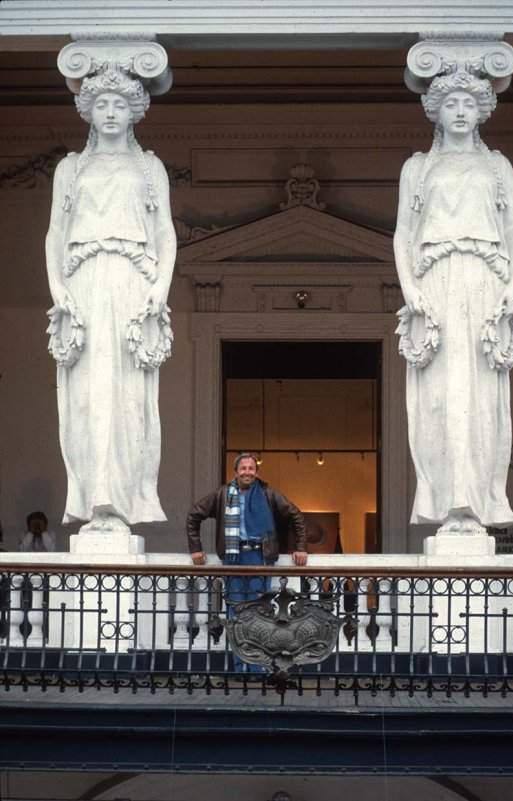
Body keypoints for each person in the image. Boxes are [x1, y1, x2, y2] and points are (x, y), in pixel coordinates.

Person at [393, 69, 513, 532]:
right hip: (434, 283)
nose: (461, 112)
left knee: (483, 395)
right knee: (440, 395)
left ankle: (480, 503)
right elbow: (403, 234)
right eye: (452, 104)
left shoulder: (497, 167)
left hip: (486, 282)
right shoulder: (418, 168)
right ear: (437, 111)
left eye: (469, 104)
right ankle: (447, 501)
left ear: (482, 111)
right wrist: (410, 289)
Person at [45, 67, 176, 532]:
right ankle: (91, 499)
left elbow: (165, 233)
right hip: (82, 283)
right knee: (87, 394)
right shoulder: (70, 168)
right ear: (88, 111)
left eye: (120, 105)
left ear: (134, 112)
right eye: (101, 104)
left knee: (126, 394)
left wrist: (159, 292)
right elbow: (55, 235)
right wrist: (59, 290)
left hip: (132, 282)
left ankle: (121, 502)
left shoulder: (148, 167)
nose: (111, 113)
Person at [186, 453, 308, 672]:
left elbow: (295, 515)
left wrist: (300, 547)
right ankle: (240, 667)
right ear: (236, 471)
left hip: (259, 557)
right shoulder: (223, 494)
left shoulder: (268, 494)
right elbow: (194, 515)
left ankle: (257, 668)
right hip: (233, 557)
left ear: (256, 472)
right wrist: (196, 548)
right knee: (236, 612)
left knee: (259, 611)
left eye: (251, 468)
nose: (247, 472)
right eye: (243, 468)